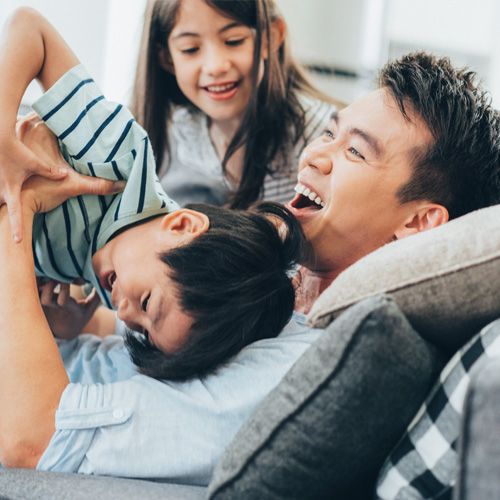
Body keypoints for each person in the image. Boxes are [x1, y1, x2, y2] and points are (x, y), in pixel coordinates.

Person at [1, 49, 499, 488]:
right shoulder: (276, 285)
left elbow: (35, 439)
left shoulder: (305, 364)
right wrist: (75, 322)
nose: (315, 156)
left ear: (417, 223)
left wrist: (14, 210)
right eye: (330, 131)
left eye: (354, 151)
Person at [0, 7, 305, 382]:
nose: (125, 314)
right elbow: (30, 28)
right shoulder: (118, 158)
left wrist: (61, 323)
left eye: (141, 329)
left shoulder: (114, 272)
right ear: (181, 225)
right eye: (146, 304)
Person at [130, 0, 340, 208]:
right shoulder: (174, 131)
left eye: (233, 41)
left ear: (270, 39)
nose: (215, 66)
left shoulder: (319, 135)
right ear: (167, 59)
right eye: (190, 49)